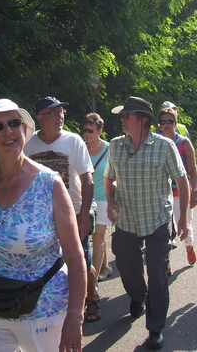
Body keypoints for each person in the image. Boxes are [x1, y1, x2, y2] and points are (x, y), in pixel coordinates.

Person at [0, 98, 86, 352]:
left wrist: (75, 317)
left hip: (43, 311)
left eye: (14, 123)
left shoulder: (50, 184)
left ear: (24, 130)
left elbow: (75, 255)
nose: (8, 131)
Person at [104, 97, 189, 350]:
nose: (122, 119)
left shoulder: (164, 146)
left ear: (142, 120)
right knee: (126, 267)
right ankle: (137, 296)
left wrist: (182, 216)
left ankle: (155, 328)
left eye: (127, 115)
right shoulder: (116, 145)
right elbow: (109, 179)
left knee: (158, 276)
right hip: (127, 220)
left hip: (157, 221)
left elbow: (182, 181)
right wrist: (110, 201)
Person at [24, 97, 100, 323]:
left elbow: (88, 181)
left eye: (62, 112)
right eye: (53, 113)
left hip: (75, 213)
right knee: (51, 263)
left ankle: (92, 295)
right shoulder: (29, 145)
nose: (60, 117)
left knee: (81, 261)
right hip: (42, 216)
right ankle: (59, 306)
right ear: (40, 118)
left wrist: (84, 215)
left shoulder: (74, 141)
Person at [158, 108, 197, 267]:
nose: (166, 125)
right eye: (163, 122)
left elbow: (193, 169)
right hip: (162, 194)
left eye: (170, 121)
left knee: (185, 225)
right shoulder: (156, 142)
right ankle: (166, 262)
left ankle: (189, 247)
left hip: (181, 192)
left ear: (175, 123)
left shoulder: (183, 142)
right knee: (164, 229)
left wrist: (194, 191)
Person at [81, 113, 112, 282]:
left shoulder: (109, 149)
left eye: (91, 130)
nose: (87, 134)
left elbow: (116, 174)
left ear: (100, 131)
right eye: (85, 130)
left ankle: (93, 280)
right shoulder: (80, 148)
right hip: (85, 199)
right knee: (95, 236)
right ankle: (105, 266)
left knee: (98, 237)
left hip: (104, 199)